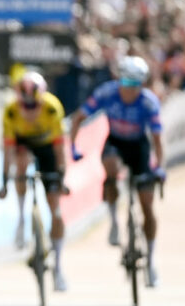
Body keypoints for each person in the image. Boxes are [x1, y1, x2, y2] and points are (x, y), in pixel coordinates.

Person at [68, 55, 165, 287]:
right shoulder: (106, 93)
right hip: (116, 142)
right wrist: (73, 147)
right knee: (109, 166)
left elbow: (158, 140)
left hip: (139, 147)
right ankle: (112, 220)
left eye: (135, 85)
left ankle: (151, 261)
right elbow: (79, 118)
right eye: (125, 83)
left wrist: (159, 166)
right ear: (118, 79)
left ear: (142, 84)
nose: (128, 90)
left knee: (147, 204)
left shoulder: (149, 102)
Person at [0, 71, 68, 291]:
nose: (28, 112)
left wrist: (61, 177)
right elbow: (8, 150)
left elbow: (59, 148)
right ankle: (21, 218)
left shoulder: (52, 108)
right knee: (20, 163)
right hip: (23, 144)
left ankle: (58, 268)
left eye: (33, 106)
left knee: (55, 206)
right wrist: (5, 180)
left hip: (47, 147)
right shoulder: (10, 111)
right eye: (24, 106)